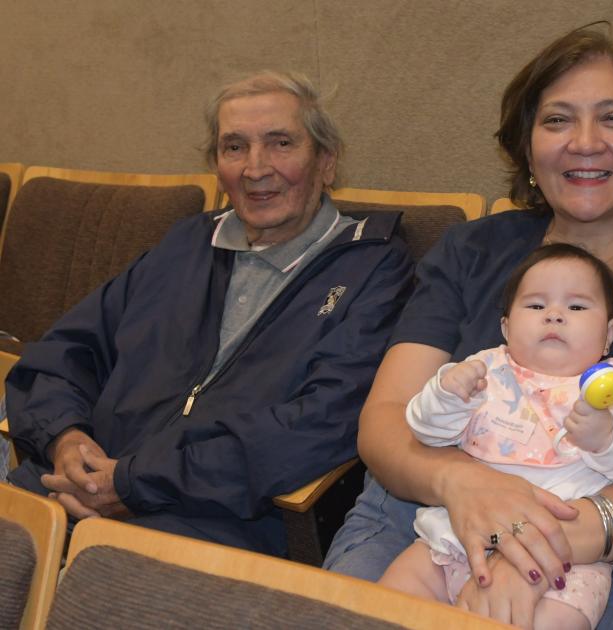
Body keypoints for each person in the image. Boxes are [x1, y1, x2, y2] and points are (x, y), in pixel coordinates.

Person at [323, 24, 613, 630]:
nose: (585, 143)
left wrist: (535, 542)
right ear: (528, 149)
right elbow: (385, 418)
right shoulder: (471, 250)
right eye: (557, 121)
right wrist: (462, 485)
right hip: (424, 516)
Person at [4, 71, 414, 556]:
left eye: (281, 143)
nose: (255, 168)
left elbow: (321, 423)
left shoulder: (373, 266)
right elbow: (61, 354)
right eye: (234, 147)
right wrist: (66, 440)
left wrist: (134, 483)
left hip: (215, 519)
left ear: (326, 162)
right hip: (70, 489)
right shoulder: (188, 243)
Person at [380, 244, 613, 630]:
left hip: (565, 561)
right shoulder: (482, 372)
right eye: (536, 305)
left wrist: (608, 437)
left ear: (609, 333)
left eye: (577, 307)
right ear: (506, 328)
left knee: (555, 621)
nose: (554, 314)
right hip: (454, 541)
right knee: (387, 602)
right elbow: (425, 431)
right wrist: (446, 395)